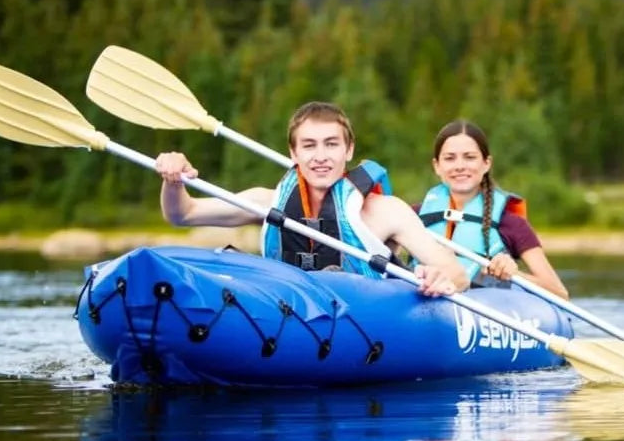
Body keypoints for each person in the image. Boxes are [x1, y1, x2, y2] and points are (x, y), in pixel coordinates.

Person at [155, 101, 468, 297]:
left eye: (331, 144)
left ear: (349, 150)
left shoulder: (386, 212)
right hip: (286, 314)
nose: (320, 157)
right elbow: (183, 214)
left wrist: (441, 277)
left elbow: (456, 272)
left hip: (366, 324)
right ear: (294, 153)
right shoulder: (266, 201)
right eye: (309, 146)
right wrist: (174, 180)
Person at [417, 120, 569, 299]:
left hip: (482, 308)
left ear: (486, 163)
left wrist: (512, 275)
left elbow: (560, 293)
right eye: (450, 158)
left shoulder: (511, 223)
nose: (459, 166)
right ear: (437, 166)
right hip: (422, 301)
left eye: (470, 157)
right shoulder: (411, 216)